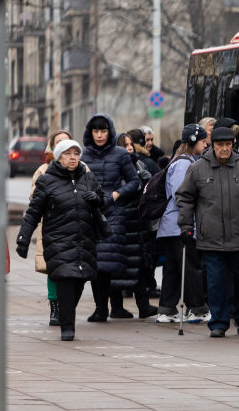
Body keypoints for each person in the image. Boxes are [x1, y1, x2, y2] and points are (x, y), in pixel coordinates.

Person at [176, 126, 239, 338]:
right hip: (211, 239)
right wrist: (185, 226)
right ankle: (218, 323)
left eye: (228, 145)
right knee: (216, 283)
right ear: (213, 145)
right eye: (220, 145)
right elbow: (184, 197)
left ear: (233, 145)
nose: (225, 149)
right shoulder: (198, 169)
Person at [15, 139, 106, 341]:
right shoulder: (46, 181)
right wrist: (23, 238)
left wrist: (97, 199)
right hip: (58, 239)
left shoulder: (88, 178)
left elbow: (103, 201)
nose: (72, 157)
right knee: (66, 278)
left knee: (81, 280)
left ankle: (66, 314)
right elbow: (33, 212)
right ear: (58, 157)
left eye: (75, 153)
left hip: (84, 239)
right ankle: (67, 328)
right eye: (67, 154)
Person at [79, 114, 142, 322]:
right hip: (89, 212)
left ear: (110, 132)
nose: (99, 135)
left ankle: (104, 308)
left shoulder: (121, 154)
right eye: (96, 131)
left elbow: (135, 182)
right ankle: (100, 307)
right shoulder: (83, 155)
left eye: (103, 131)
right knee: (93, 262)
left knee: (106, 263)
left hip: (112, 212)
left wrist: (116, 194)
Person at [156, 124, 211, 324]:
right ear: (194, 141)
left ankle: (166, 309)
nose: (206, 145)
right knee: (190, 268)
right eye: (204, 141)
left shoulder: (181, 161)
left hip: (172, 225)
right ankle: (198, 308)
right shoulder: (184, 164)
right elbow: (183, 194)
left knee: (173, 269)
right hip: (180, 224)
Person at [30, 129, 75, 326]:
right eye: (59, 143)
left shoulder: (82, 168)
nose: (64, 147)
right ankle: (55, 307)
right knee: (53, 269)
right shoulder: (43, 170)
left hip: (75, 228)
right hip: (53, 228)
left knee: (74, 270)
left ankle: (68, 306)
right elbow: (34, 199)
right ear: (53, 147)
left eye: (67, 142)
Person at [113, 133, 158, 319]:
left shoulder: (138, 163)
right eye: (125, 145)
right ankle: (116, 307)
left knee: (140, 266)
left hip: (137, 223)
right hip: (123, 221)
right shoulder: (116, 166)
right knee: (117, 268)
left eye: (131, 144)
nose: (130, 148)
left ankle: (143, 305)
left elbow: (147, 182)